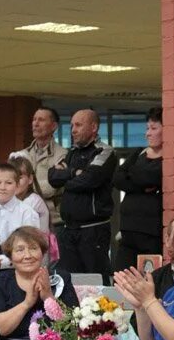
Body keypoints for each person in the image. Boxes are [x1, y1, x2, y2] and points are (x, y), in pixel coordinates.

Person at [0, 227, 79, 340]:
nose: (27, 255)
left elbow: (73, 327)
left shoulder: (60, 279)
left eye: (33, 248)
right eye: (20, 250)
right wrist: (27, 303)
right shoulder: (1, 281)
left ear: (42, 252)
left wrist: (48, 298)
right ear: (10, 256)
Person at [49, 109, 117, 284]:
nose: (73, 130)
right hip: (68, 229)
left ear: (93, 127)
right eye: (72, 125)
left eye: (78, 125)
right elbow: (52, 178)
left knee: (96, 279)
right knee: (70, 281)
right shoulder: (72, 153)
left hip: (93, 230)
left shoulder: (104, 151)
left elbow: (89, 180)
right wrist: (74, 173)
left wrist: (67, 177)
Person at [113, 107, 163, 271]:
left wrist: (132, 176)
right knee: (121, 276)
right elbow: (118, 178)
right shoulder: (138, 152)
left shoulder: (169, 158)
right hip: (128, 230)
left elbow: (150, 176)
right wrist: (141, 186)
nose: (148, 133)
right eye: (147, 128)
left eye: (154, 128)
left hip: (151, 233)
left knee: (149, 278)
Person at [12, 107, 68, 235]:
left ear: (53, 126)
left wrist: (24, 186)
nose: (35, 124)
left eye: (41, 120)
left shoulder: (63, 155)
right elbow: (11, 182)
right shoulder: (23, 154)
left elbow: (51, 188)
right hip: (23, 219)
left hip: (53, 222)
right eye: (34, 119)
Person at [9, 155, 50, 232]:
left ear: (30, 179)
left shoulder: (34, 201)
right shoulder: (11, 200)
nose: (15, 182)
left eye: (19, 178)